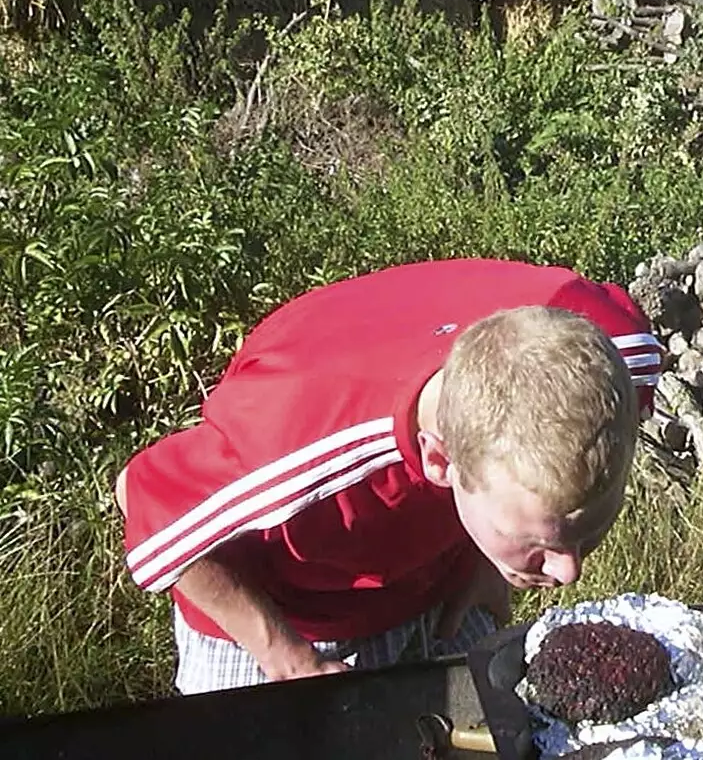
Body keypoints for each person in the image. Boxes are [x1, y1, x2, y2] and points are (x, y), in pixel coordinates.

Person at [114, 258, 663, 695]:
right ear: (440, 461)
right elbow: (143, 501)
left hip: (434, 578)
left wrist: (488, 561)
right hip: (280, 622)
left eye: (584, 532)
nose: (568, 573)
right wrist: (286, 658)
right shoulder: (295, 453)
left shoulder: (613, 357)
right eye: (542, 545)